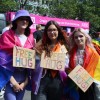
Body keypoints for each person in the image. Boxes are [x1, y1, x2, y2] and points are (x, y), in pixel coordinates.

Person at [0, 9, 35, 100]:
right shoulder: (6, 36)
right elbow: (2, 60)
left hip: (24, 80)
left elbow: (31, 63)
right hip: (9, 78)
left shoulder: (30, 39)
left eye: (27, 19)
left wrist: (25, 82)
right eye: (21, 19)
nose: (24, 21)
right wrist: (13, 82)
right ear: (16, 21)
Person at [31, 20, 69, 100]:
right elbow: (34, 63)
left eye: (54, 30)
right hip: (42, 81)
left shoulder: (64, 46)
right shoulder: (39, 46)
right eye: (49, 30)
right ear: (46, 32)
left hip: (58, 82)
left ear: (58, 31)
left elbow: (68, 64)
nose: (52, 32)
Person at [65, 28, 100, 100]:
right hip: (75, 85)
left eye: (81, 36)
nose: (78, 38)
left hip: (89, 86)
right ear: (74, 39)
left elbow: (96, 70)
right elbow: (68, 67)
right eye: (76, 37)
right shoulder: (71, 53)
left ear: (85, 37)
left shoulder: (93, 53)